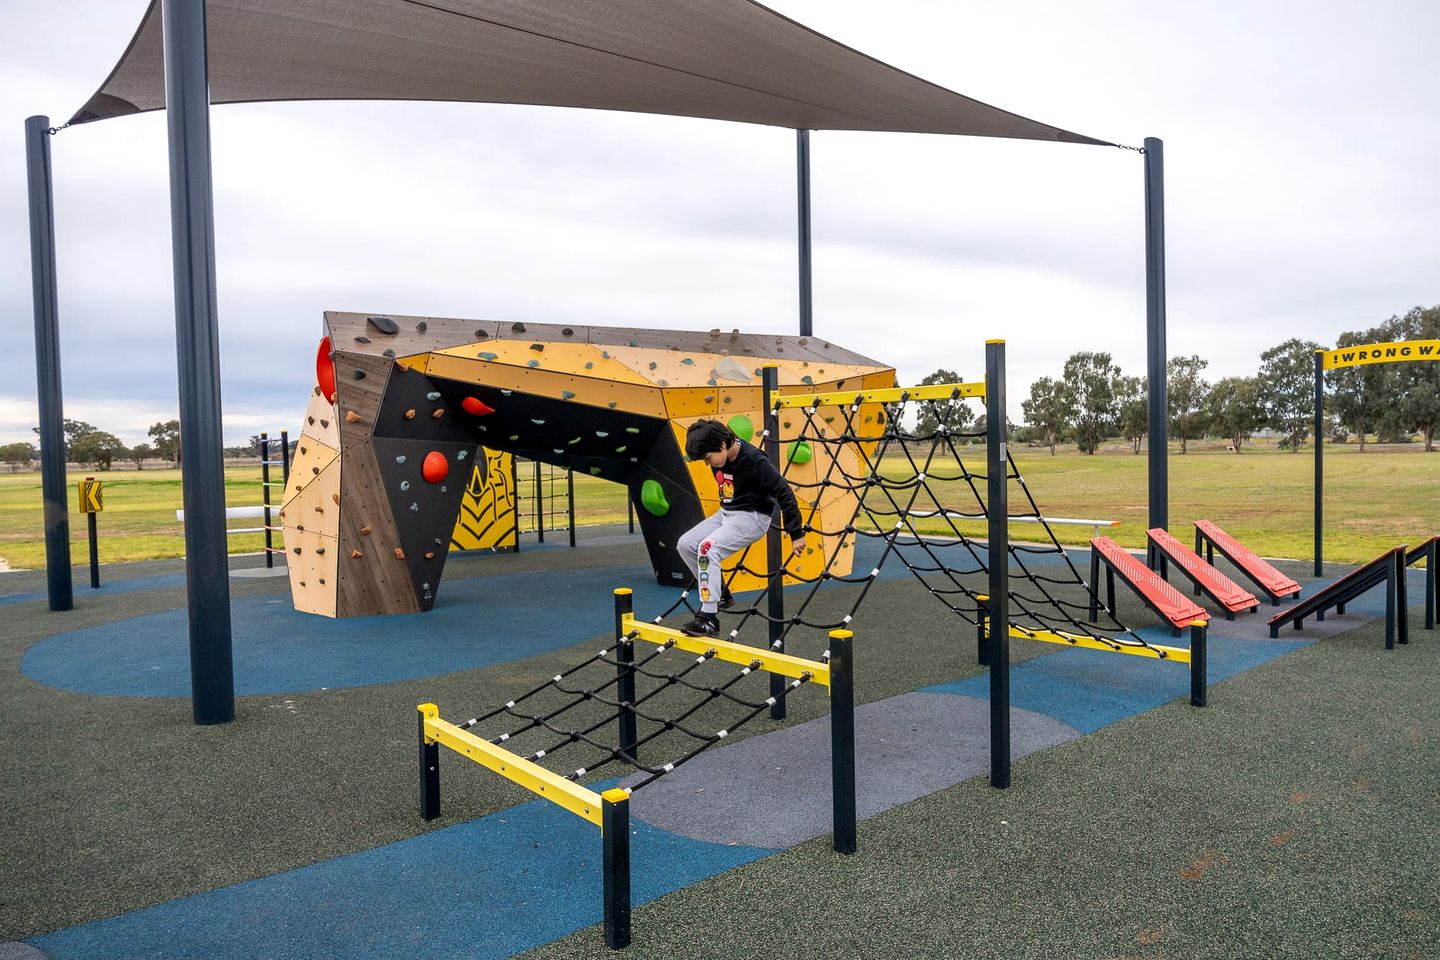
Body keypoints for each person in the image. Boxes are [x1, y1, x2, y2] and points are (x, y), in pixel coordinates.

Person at [676, 419, 808, 638]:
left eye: (708, 458)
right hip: (727, 513)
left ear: (721, 445)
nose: (708, 464)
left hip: (752, 518)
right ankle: (721, 593)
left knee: (708, 548)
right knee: (686, 544)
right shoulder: (720, 453)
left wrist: (796, 533)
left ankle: (709, 618)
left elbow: (784, 493)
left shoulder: (755, 460)